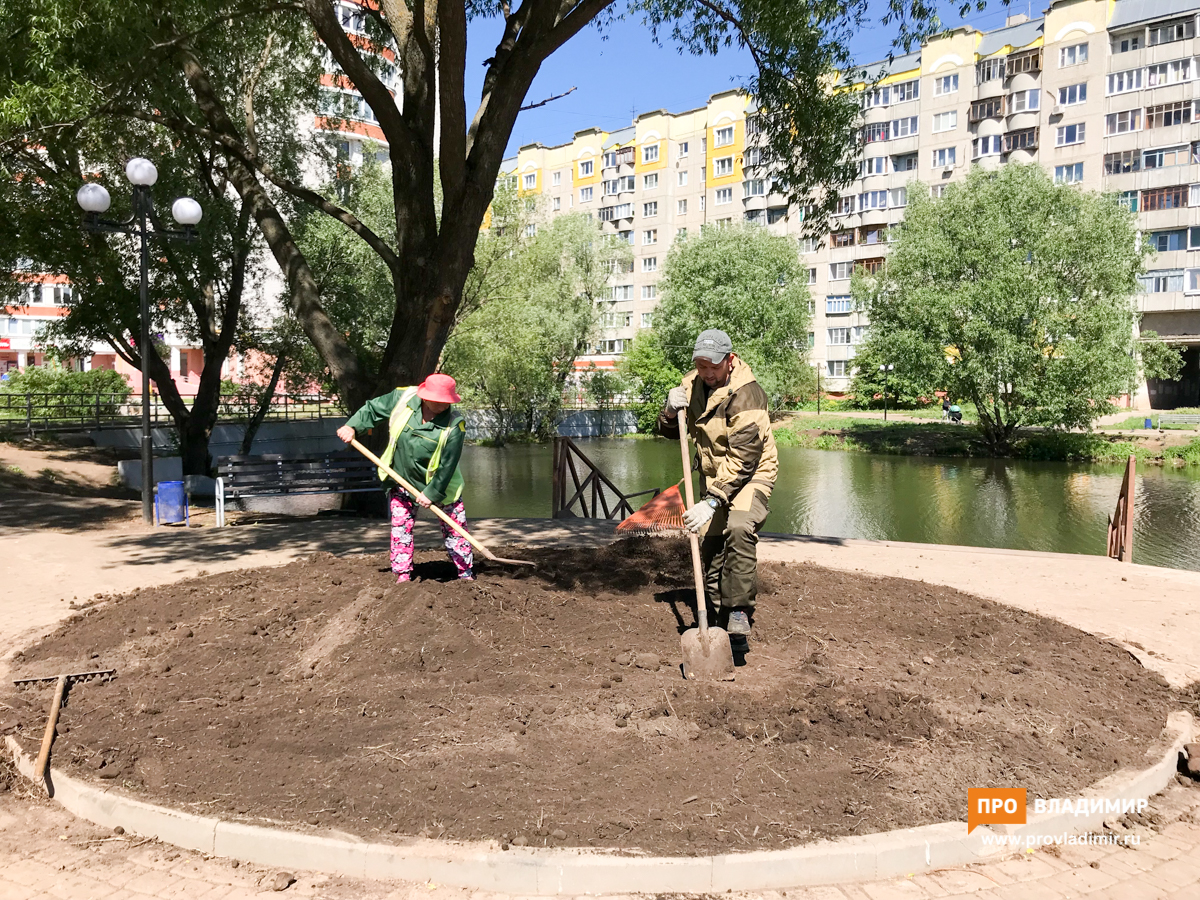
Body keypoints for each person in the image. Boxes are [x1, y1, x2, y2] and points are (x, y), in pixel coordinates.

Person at [657, 329, 778, 638]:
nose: (707, 373)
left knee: (738, 528)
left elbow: (744, 460)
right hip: (713, 475)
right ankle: (714, 614)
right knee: (710, 546)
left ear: (729, 360)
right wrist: (670, 412)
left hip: (752, 474)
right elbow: (671, 432)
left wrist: (712, 502)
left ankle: (738, 611)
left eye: (713, 366)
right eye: (701, 366)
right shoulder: (691, 384)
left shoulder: (748, 394)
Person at [336, 374, 473, 583]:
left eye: (448, 401)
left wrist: (432, 493)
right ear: (426, 396)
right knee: (401, 527)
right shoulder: (404, 397)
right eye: (439, 400)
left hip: (442, 486)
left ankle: (465, 573)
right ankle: (402, 574)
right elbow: (373, 409)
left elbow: (447, 466)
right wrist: (352, 426)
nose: (444, 405)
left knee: (455, 529)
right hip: (401, 479)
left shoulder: (455, 426)